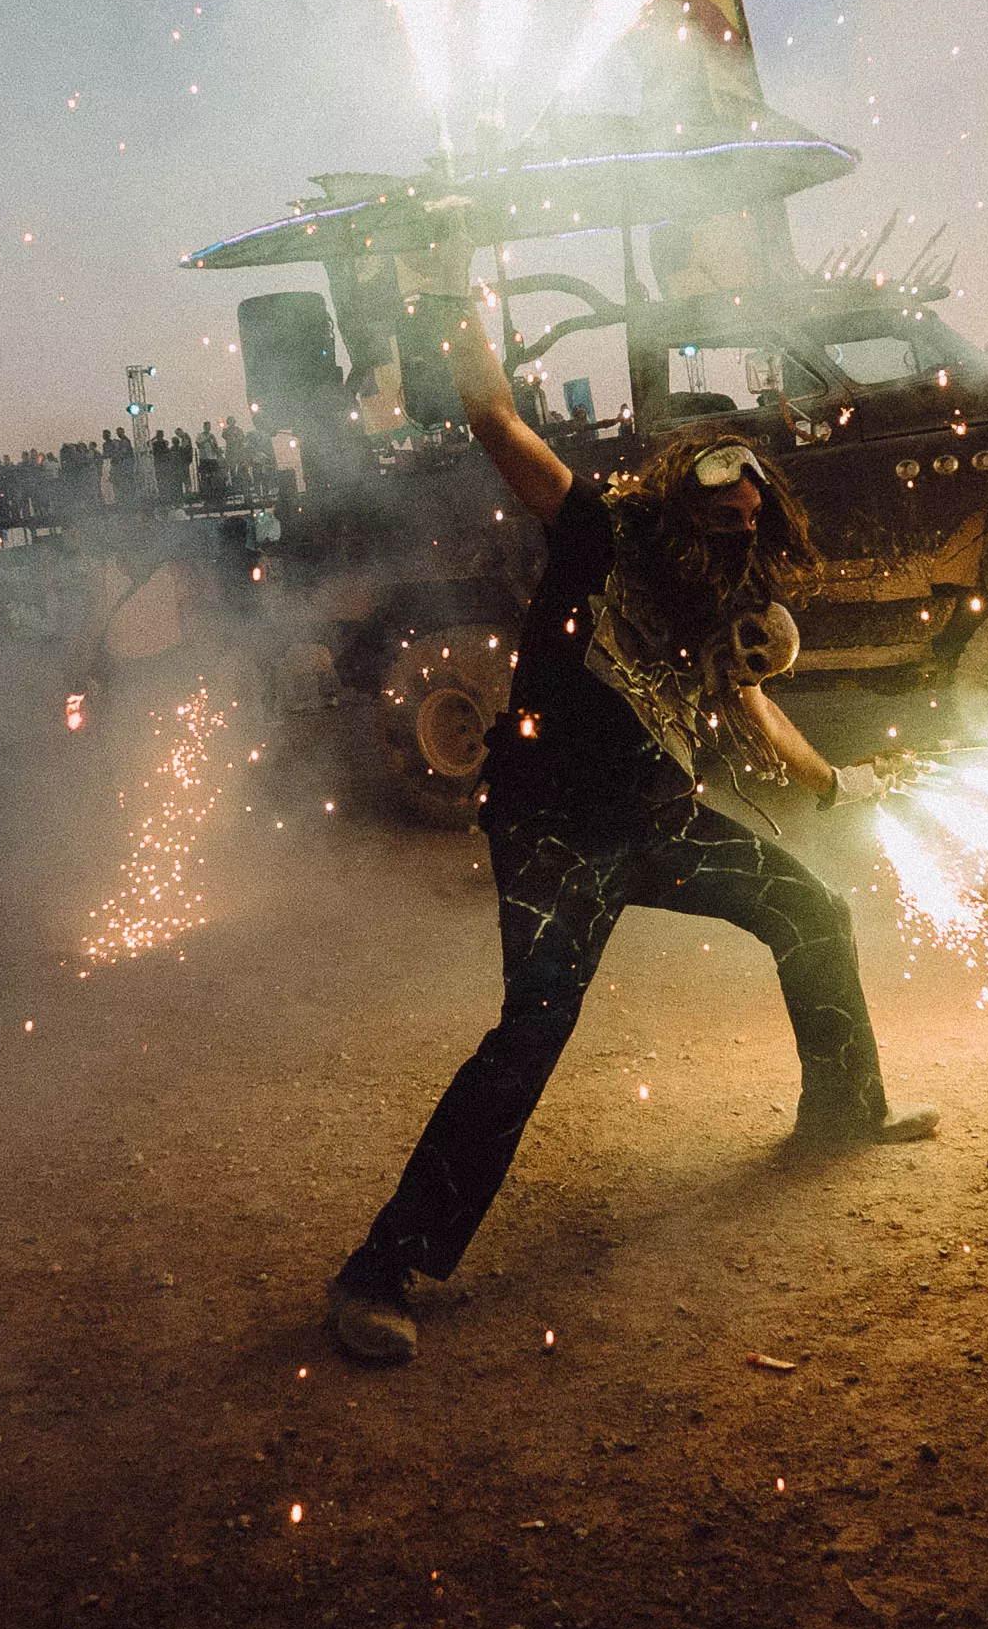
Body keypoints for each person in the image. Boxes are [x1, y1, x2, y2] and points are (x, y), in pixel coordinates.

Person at [327, 283, 936, 1367]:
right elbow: (498, 426)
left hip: (658, 822)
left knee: (810, 910)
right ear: (676, 503)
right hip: (554, 833)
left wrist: (844, 785)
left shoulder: (716, 609)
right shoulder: (596, 531)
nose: (737, 529)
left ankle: (845, 1110)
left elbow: (757, 719)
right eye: (722, 512)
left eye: (751, 518)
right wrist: (467, 331)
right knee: (532, 1036)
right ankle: (381, 1270)